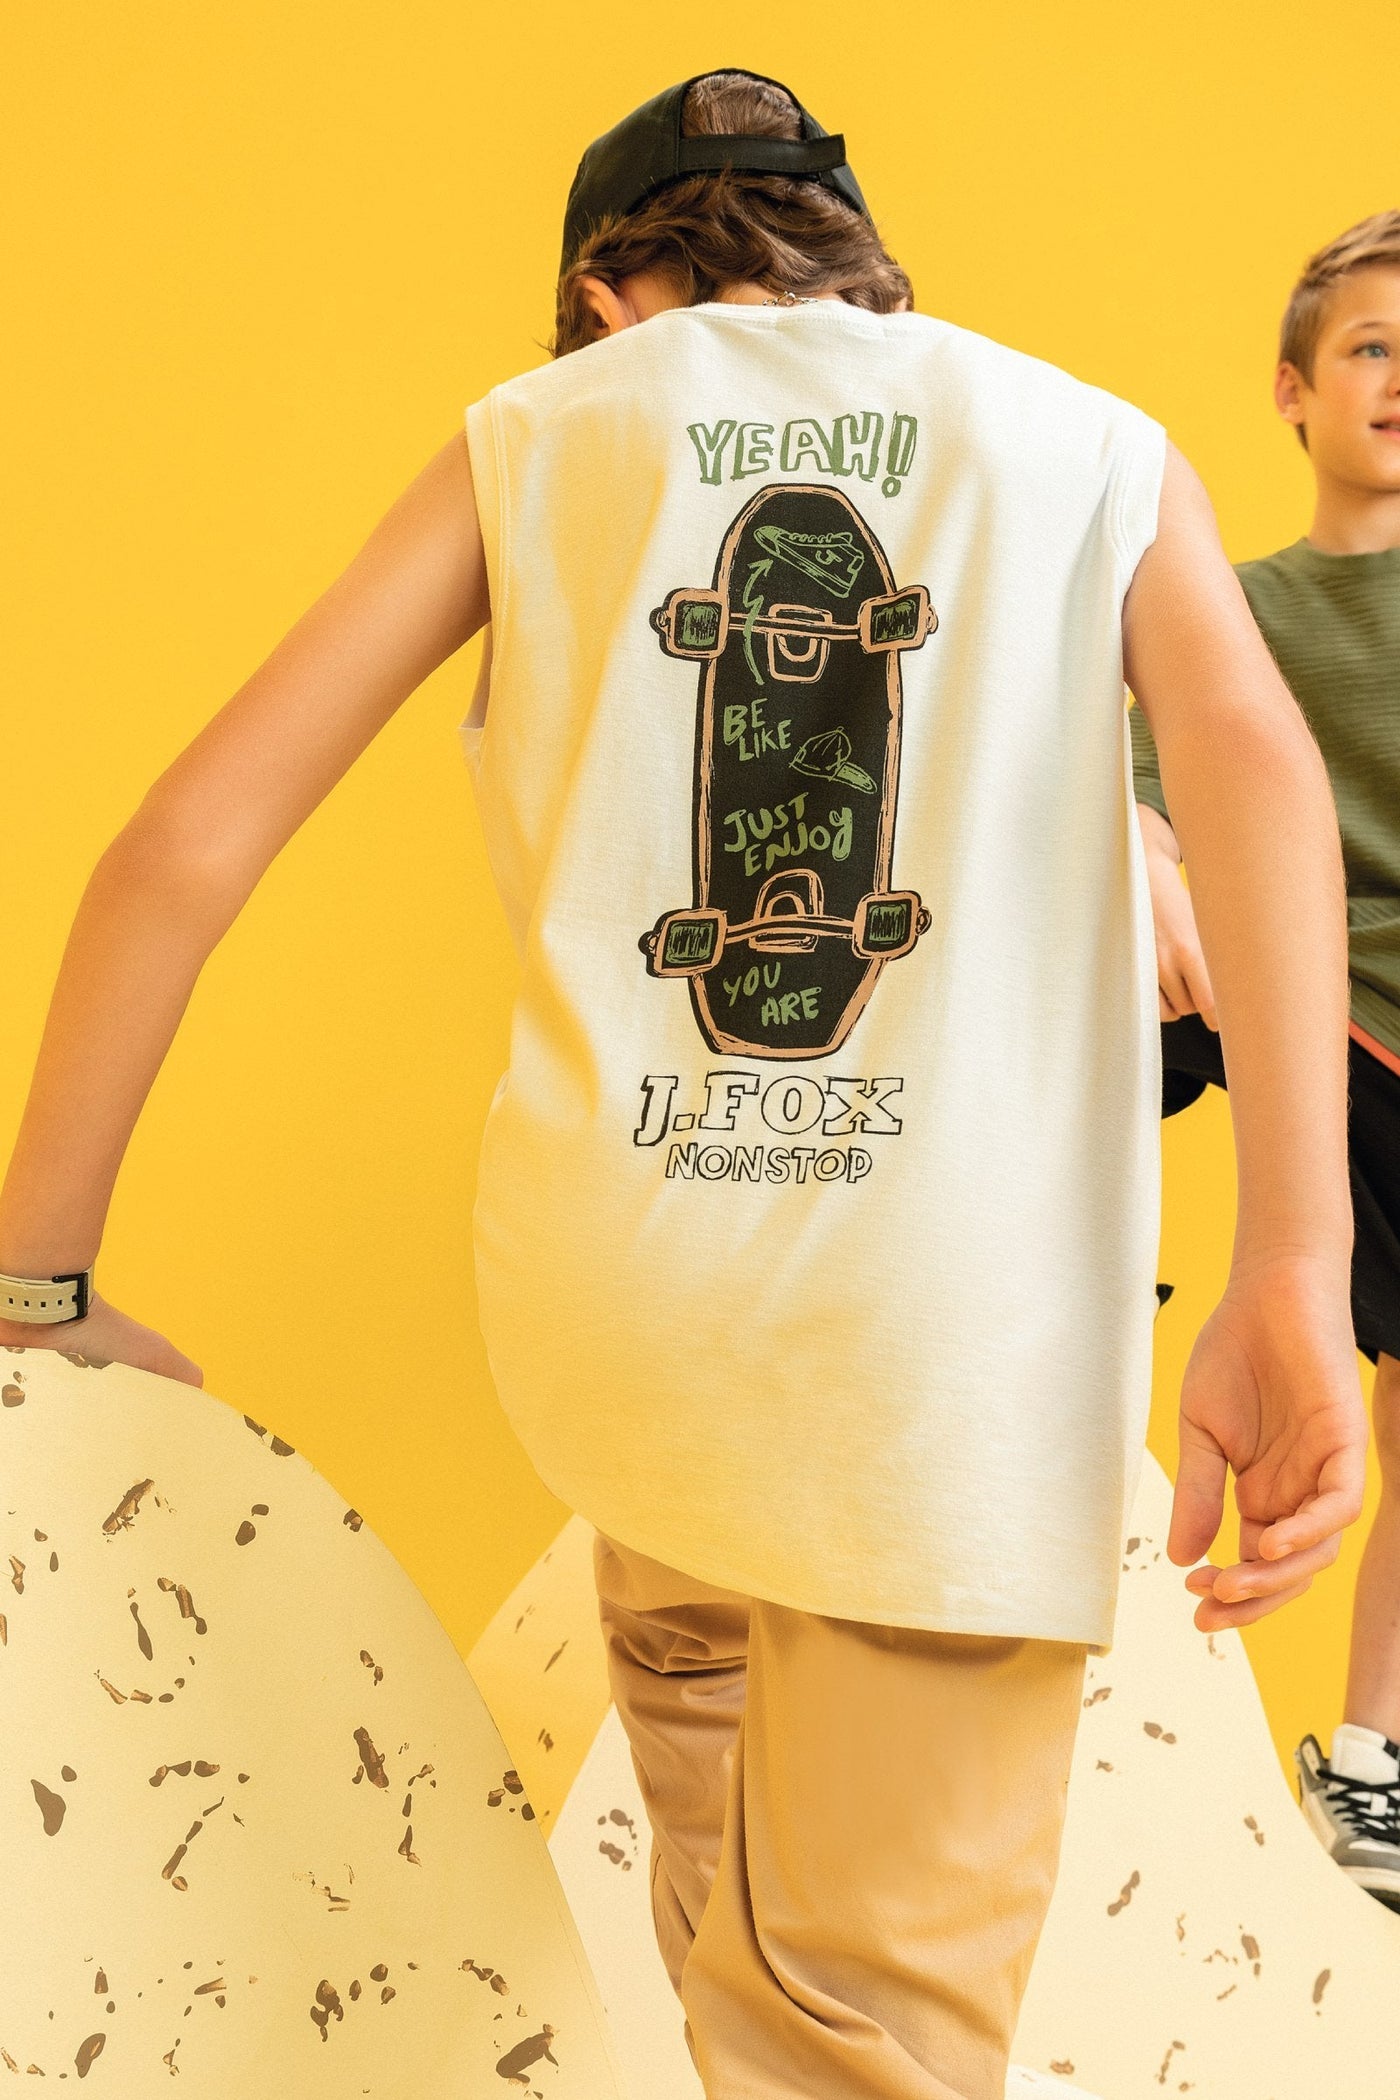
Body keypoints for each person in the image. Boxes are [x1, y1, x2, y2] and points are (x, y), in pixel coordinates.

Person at [0, 68, 1368, 2100]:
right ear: (859, 267)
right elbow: (1263, 779)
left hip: (632, 1349)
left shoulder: (534, 435)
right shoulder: (1085, 443)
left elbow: (179, 848)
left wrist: (37, 1284)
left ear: (604, 297)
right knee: (864, 2046)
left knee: (743, 1996)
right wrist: (1296, 1265)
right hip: (935, 1372)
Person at [1131, 209, 1400, 1915]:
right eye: (1371, 348)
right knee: (1099, 953)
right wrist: (1148, 850)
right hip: (1295, 1001)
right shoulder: (1240, 605)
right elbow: (1152, 777)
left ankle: (1377, 1754)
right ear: (1293, 391)